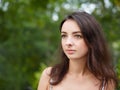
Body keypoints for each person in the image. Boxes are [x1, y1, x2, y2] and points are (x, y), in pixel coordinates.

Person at [37, 11, 118, 90]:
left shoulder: (106, 81)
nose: (68, 43)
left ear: (92, 40)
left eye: (77, 36)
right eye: (64, 35)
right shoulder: (49, 76)